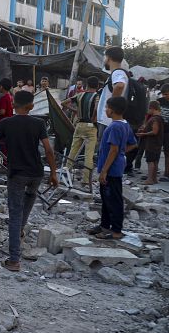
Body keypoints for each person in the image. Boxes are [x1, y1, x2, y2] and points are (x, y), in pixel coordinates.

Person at [0, 90, 58, 272]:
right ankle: (20, 230)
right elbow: (48, 150)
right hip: (36, 173)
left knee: (14, 213)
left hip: (17, 174)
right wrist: (54, 174)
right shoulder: (38, 124)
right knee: (29, 199)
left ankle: (14, 259)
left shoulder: (6, 123)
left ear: (13, 104)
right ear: (31, 106)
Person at [89, 97, 137, 240]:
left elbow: (114, 150)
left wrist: (104, 170)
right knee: (106, 198)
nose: (106, 110)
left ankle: (116, 230)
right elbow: (133, 144)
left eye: (107, 108)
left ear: (113, 110)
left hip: (111, 170)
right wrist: (122, 151)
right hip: (114, 167)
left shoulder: (115, 126)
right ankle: (104, 225)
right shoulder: (124, 124)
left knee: (113, 200)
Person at [62, 76, 99, 188]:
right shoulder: (97, 96)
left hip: (79, 125)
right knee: (89, 154)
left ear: (86, 84)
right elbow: (97, 109)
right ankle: (85, 180)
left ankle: (65, 175)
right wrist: (93, 119)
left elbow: (64, 103)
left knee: (72, 151)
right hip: (91, 126)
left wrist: (77, 111)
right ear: (97, 86)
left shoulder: (80, 95)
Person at [137, 101, 164, 185]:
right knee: (155, 161)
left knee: (150, 161)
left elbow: (155, 131)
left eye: (148, 109)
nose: (148, 111)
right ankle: (154, 178)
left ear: (152, 108)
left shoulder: (155, 119)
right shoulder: (160, 118)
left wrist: (143, 134)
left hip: (152, 143)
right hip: (157, 143)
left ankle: (150, 179)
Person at [158, 84, 169, 181]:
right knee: (156, 150)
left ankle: (167, 172)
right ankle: (153, 171)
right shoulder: (160, 102)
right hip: (160, 130)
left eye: (166, 94)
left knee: (167, 152)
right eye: (163, 94)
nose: (165, 96)